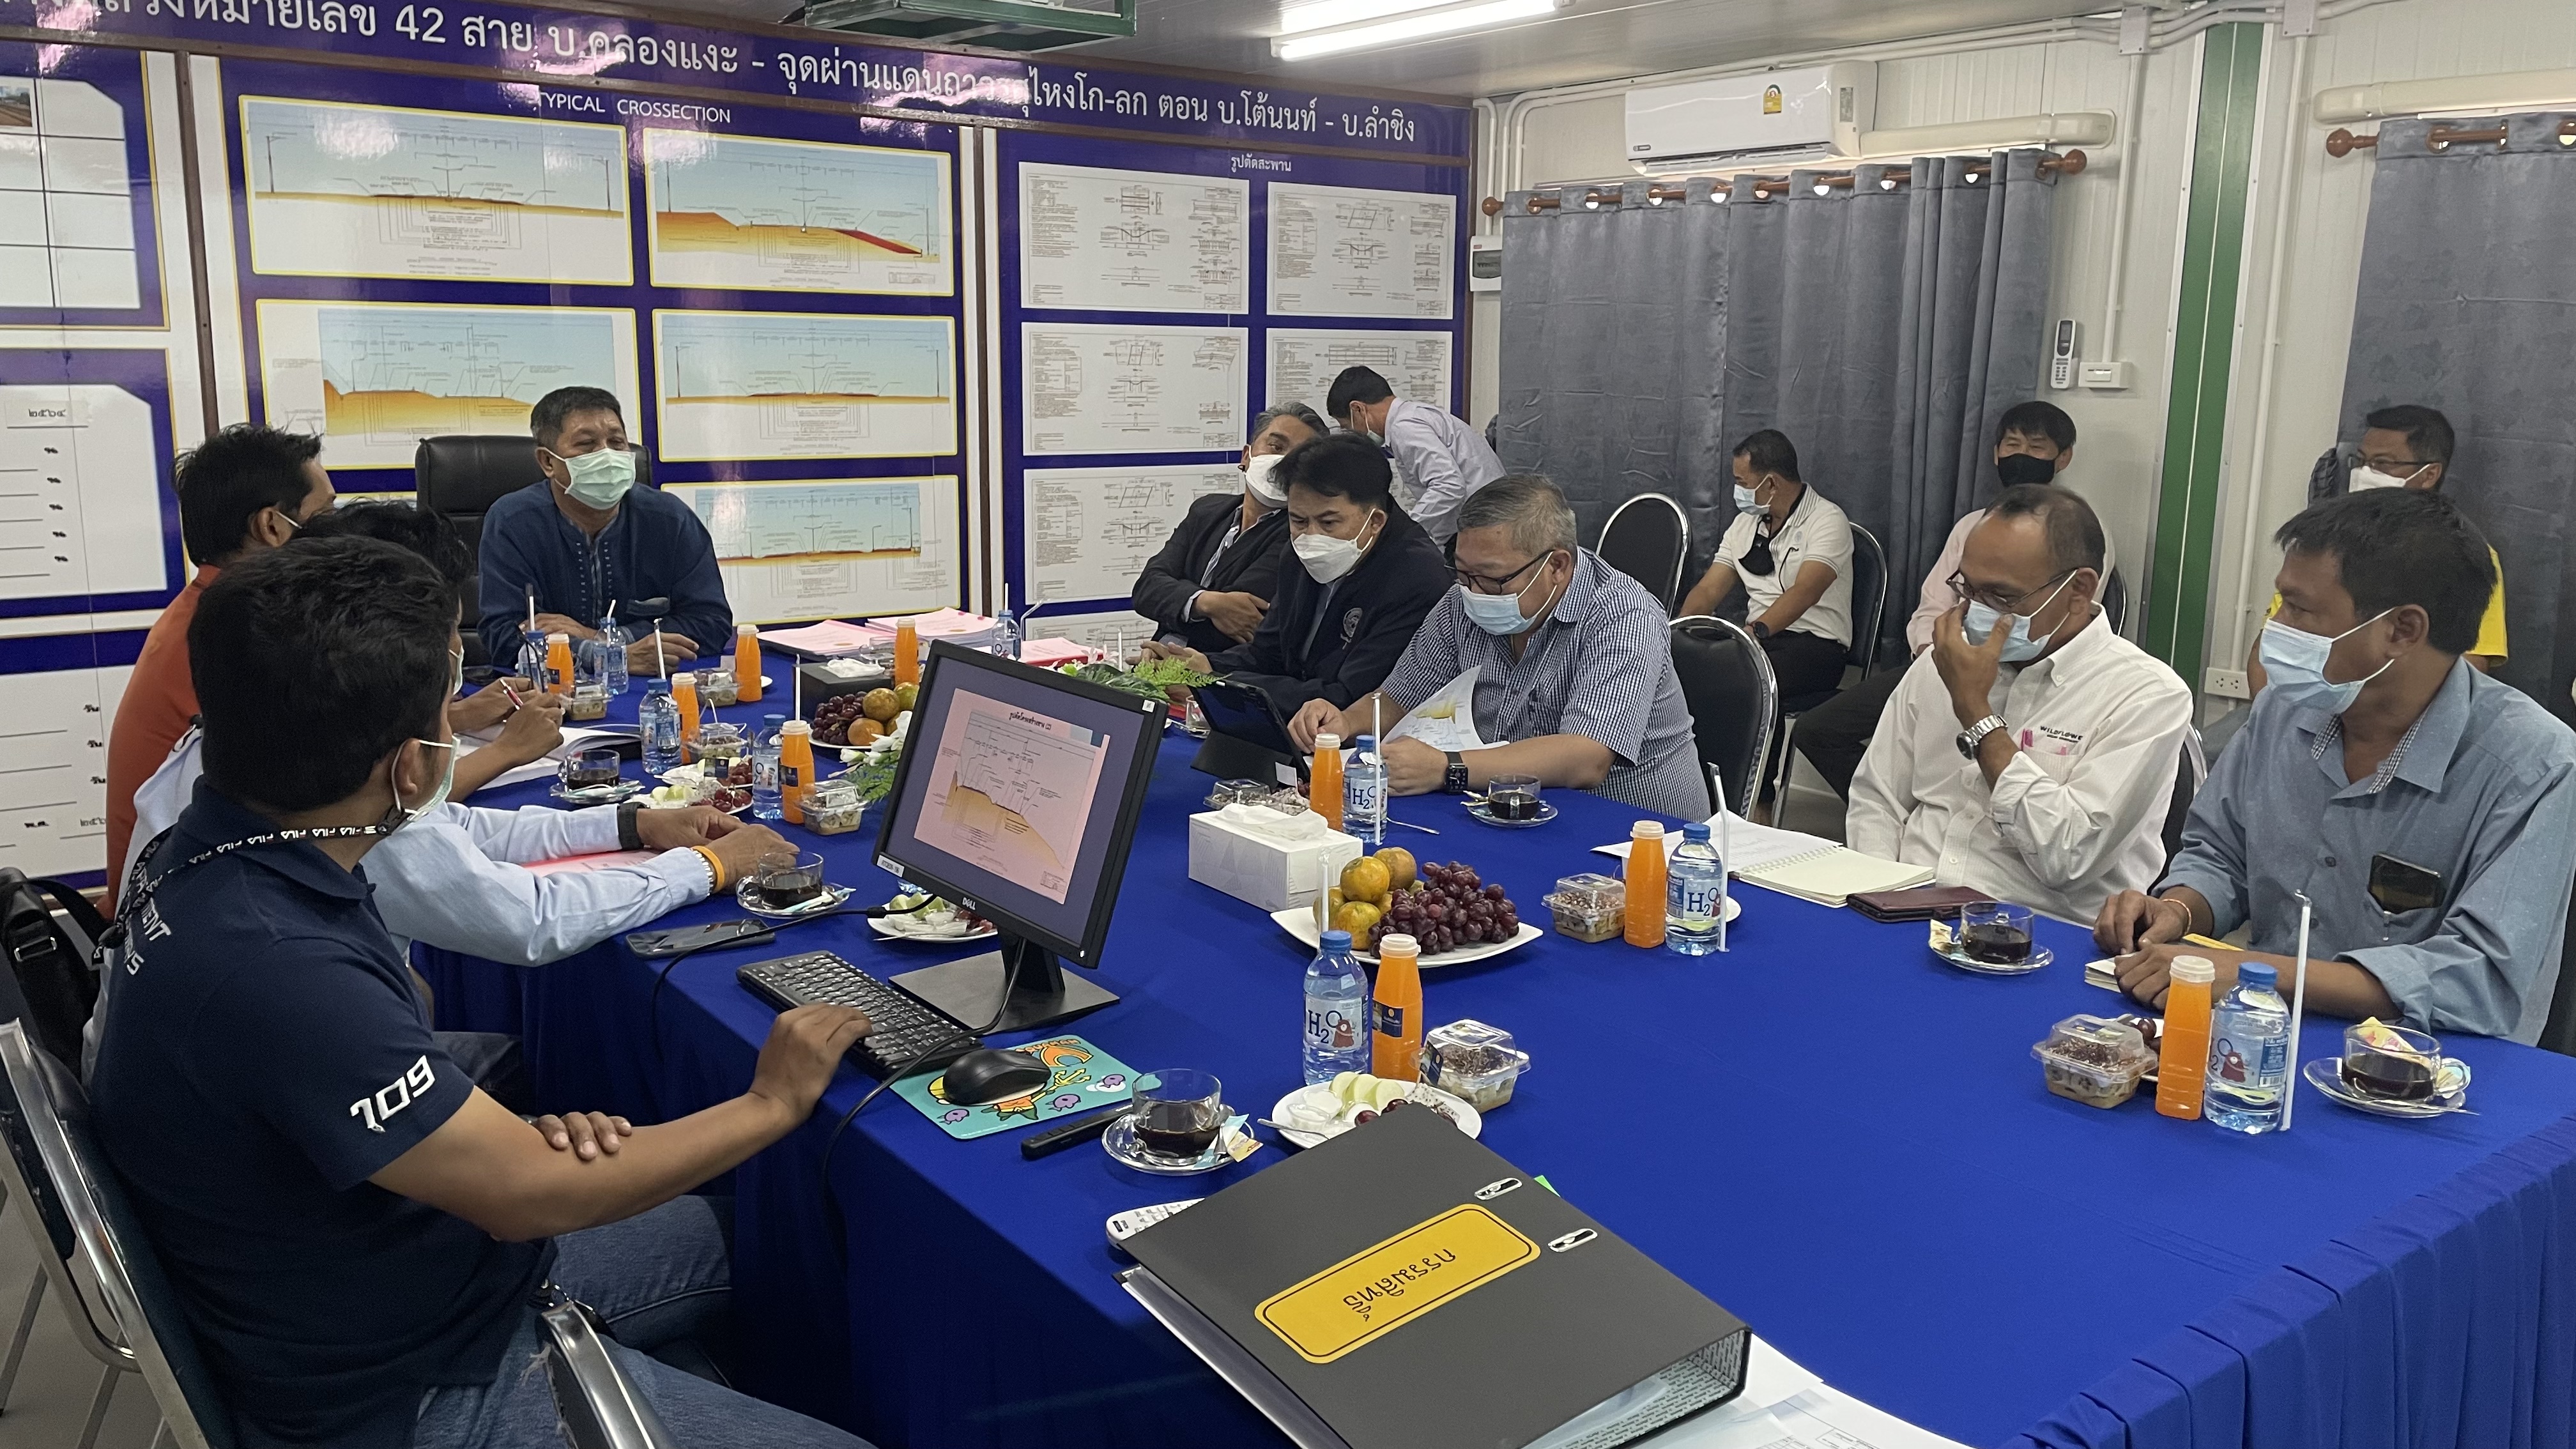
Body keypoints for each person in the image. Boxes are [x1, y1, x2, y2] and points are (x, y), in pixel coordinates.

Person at [91, 536, 876, 1449]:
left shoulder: (221, 844)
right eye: (444, 720)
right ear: (412, 769)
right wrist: (770, 1103)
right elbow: (530, 1196)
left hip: (389, 1256)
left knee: (770, 1239)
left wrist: (479, 1135)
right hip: (404, 1380)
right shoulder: (276, 968)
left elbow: (410, 1045)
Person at [113, 503, 783, 970]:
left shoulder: (262, 731)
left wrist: (631, 824)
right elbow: (529, 921)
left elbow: (448, 828)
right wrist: (709, 866)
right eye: (447, 673)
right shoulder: (333, 790)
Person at [2096, 489, 2576, 1046]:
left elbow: (2480, 977)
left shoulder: (2533, 765)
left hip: (2429, 1068)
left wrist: (2257, 972)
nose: (2276, 629)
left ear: (2402, 630)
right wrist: (2178, 909)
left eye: (2299, 611)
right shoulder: (2283, 711)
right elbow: (2222, 855)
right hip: (2260, 1038)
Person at [1846, 486, 2189, 923]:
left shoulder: (2146, 695)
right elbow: (1877, 799)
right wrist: (1882, 898)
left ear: (2079, 589)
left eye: (2001, 597)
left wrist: (1977, 713)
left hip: (2037, 930)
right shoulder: (1941, 661)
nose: (1973, 611)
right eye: (1967, 588)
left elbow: (2068, 858)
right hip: (1907, 911)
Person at [1290, 475, 1706, 821]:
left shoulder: (1623, 615)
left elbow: (1586, 758)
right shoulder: (1462, 602)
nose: (1474, 592)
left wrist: (1446, 767)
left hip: (1630, 829)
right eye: (1463, 574)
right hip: (1509, 811)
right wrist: (1346, 722)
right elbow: (1402, 694)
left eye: (1492, 579)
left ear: (1557, 565)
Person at [1794, 402, 2101, 799]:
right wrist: (1936, 658)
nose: (2022, 455)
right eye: (2012, 445)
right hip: (1942, 660)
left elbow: (2065, 626)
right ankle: (1908, 810)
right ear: (1996, 453)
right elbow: (1932, 607)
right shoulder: (1972, 526)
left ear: (2063, 457)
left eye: (2036, 447)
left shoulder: (2080, 535)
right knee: (1818, 731)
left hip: (2029, 672)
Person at [102, 424, 337, 906]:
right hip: (180, 901)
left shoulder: (214, 609)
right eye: (327, 515)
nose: (340, 533)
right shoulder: (235, 635)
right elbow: (342, 792)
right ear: (272, 526)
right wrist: (497, 753)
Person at [1140, 433, 1448, 717]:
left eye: (1329, 523)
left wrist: (1214, 684)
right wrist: (1202, 665)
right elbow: (1268, 654)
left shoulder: (1417, 579)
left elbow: (1350, 696)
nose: (1311, 537)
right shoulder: (1296, 552)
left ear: (1376, 521)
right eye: (1299, 520)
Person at [2241, 404, 2506, 693]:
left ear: (2429, 474)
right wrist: (2275, 713)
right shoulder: (2324, 544)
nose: (2365, 473)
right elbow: (2268, 651)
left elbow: (2469, 666)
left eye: (2383, 463)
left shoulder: (2459, 557)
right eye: (2361, 461)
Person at [477, 386, 728, 674]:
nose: (607, 454)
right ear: (548, 462)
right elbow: (505, 637)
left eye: (616, 442)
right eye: (587, 444)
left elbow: (711, 623)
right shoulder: (513, 522)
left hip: (653, 688)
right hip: (552, 691)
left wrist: (603, 638)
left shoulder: (670, 519)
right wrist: (610, 657)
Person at [1131, 403, 1326, 654]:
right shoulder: (1207, 510)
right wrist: (1208, 602)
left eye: (1297, 458)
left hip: (1217, 668)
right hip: (1155, 659)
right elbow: (1146, 588)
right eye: (1276, 447)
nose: (1282, 463)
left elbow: (1233, 625)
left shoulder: (1299, 535)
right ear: (1246, 457)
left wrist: (1178, 602)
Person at [1675, 429, 1855, 700]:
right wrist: (1679, 632)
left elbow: (1806, 591)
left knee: (1729, 680)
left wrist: (1755, 632)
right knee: (1684, 667)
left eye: (1742, 483)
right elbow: (1709, 589)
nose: (1737, 492)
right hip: (1757, 642)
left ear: (1771, 484)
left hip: (1814, 647)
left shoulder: (1827, 520)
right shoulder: (1744, 524)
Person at [1327, 366, 1504, 546]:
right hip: (1489, 520)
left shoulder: (1404, 428)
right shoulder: (1413, 415)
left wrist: (1405, 530)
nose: (1352, 432)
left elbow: (1449, 486)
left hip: (1484, 529)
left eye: (1347, 426)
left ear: (1358, 409)